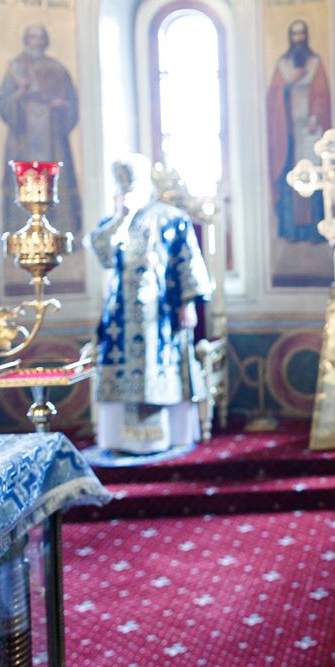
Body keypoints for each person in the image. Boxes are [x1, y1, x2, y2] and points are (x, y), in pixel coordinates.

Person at [86, 155, 212, 454]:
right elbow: (102, 256)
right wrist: (121, 217)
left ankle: (167, 436)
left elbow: (188, 260)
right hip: (120, 315)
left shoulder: (172, 218)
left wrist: (188, 304)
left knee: (163, 365)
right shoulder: (115, 223)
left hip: (163, 312)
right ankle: (121, 440)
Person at [0, 23, 82, 240]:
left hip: (53, 138)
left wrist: (61, 106)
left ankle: (61, 237)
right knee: (23, 182)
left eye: (39, 37)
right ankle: (20, 237)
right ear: (26, 40)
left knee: (56, 182)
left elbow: (71, 105)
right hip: (23, 140)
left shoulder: (58, 69)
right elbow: (4, 104)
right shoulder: (15, 69)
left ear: (46, 41)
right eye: (32, 37)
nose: (36, 42)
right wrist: (20, 94)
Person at [267, 19, 334, 243]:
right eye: (294, 34)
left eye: (301, 34)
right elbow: (273, 96)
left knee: (314, 176)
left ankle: (315, 231)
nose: (298, 39)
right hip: (288, 133)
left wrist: (315, 115)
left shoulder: (315, 63)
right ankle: (291, 230)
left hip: (310, 130)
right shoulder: (283, 65)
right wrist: (287, 87)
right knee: (290, 179)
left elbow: (322, 94)